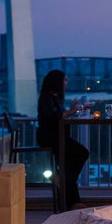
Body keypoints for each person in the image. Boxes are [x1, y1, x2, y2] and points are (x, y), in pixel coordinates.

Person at [36, 69, 90, 210]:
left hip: (57, 136)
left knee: (67, 167)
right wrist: (71, 111)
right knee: (82, 152)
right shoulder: (46, 98)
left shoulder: (54, 97)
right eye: (64, 80)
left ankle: (72, 202)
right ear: (57, 82)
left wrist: (69, 112)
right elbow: (55, 117)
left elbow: (59, 116)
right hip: (50, 138)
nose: (66, 83)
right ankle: (64, 181)